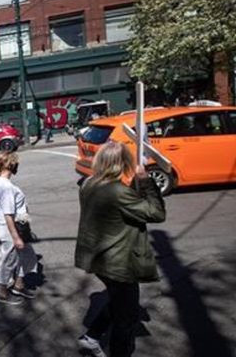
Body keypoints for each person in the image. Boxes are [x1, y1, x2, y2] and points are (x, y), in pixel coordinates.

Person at [75, 141, 165, 357]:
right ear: (123, 163)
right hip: (118, 263)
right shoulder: (116, 191)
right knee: (127, 318)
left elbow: (122, 204)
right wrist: (146, 181)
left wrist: (135, 182)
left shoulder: (88, 183)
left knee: (119, 303)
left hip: (98, 258)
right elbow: (156, 213)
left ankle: (92, 337)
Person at [0, 151, 39, 305]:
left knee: (28, 256)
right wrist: (16, 237)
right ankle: (2, 291)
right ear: (10, 165)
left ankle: (19, 285)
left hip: (16, 225)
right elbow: (8, 213)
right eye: (16, 163)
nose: (17, 165)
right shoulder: (5, 186)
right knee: (10, 260)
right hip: (12, 228)